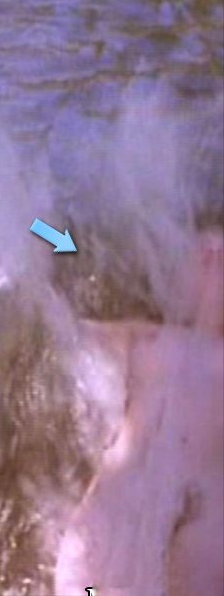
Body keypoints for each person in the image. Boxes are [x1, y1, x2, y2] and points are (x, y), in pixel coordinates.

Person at [54, 230, 224, 596]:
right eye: (208, 253)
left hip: (124, 540)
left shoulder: (148, 341)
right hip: (137, 546)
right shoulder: (147, 340)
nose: (214, 258)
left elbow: (61, 330)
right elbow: (61, 331)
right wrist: (46, 237)